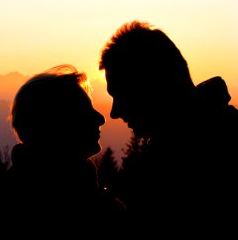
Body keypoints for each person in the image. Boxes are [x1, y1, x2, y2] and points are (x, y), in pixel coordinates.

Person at [98, 20, 238, 234]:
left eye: (121, 95)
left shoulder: (196, 159)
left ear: (150, 86)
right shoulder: (180, 148)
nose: (114, 112)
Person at [0, 64, 125, 235]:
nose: (101, 118)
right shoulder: (91, 212)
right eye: (84, 111)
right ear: (54, 124)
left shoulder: (12, 198)